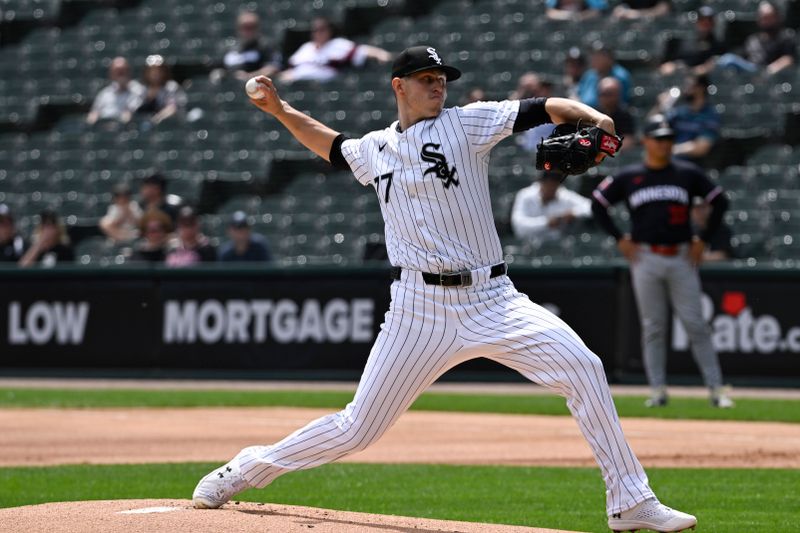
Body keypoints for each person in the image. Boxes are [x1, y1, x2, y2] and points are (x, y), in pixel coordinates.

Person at [192, 45, 698, 533]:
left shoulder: (466, 122)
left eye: (441, 81)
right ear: (399, 86)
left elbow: (544, 107)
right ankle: (246, 470)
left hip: (493, 299)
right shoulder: (376, 149)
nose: (438, 88)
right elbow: (329, 142)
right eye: (427, 81)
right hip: (418, 309)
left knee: (584, 369)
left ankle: (631, 500)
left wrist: (597, 120)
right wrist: (279, 108)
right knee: (358, 428)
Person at [591, 114, 734, 410]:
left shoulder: (686, 173)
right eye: (659, 139)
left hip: (681, 256)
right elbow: (598, 203)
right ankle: (657, 390)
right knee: (653, 327)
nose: (664, 144)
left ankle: (717, 389)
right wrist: (619, 237)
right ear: (646, 141)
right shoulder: (630, 176)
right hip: (645, 256)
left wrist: (703, 239)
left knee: (696, 324)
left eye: (668, 139)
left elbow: (720, 200)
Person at [279, 16, 392, 83]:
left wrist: (380, 54)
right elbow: (292, 67)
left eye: (321, 29)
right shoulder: (306, 47)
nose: (317, 33)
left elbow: (362, 50)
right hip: (299, 87)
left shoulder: (338, 44)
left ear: (329, 31)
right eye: (315, 30)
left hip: (326, 90)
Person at [655, 73, 720, 167]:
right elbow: (653, 127)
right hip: (670, 164)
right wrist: (660, 106)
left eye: (689, 85)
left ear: (700, 88)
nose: (686, 89)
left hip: (694, 168)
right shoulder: (679, 112)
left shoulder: (710, 115)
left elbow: (701, 148)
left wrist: (670, 150)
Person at [716, 1, 797, 75]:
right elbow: (744, 58)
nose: (766, 21)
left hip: (771, 76)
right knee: (726, 60)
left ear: (777, 17)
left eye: (769, 17)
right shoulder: (752, 40)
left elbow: (789, 59)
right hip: (750, 76)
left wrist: (769, 71)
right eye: (764, 18)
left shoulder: (786, 36)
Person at [511, 171, 592, 241]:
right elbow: (518, 226)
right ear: (541, 182)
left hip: (557, 245)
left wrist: (574, 213)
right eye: (549, 184)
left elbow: (590, 206)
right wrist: (546, 223)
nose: (552, 189)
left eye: (555, 185)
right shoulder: (525, 195)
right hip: (529, 245)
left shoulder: (563, 194)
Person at [216, 11, 283, 82]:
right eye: (244, 27)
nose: (248, 31)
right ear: (238, 28)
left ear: (258, 28)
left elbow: (273, 68)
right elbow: (219, 68)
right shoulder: (229, 48)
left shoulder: (266, 46)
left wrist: (249, 76)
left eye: (252, 27)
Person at [660, 6, 724, 75]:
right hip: (682, 75)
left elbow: (713, 63)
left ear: (713, 23)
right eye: (702, 20)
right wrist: (673, 65)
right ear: (696, 22)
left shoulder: (718, 44)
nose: (706, 24)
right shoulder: (684, 41)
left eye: (709, 21)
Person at [86, 57, 145, 125]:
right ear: (111, 74)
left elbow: (132, 112)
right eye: (117, 71)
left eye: (122, 71)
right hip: (103, 128)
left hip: (126, 128)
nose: (120, 74)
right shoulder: (105, 93)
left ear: (129, 71)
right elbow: (94, 113)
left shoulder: (138, 90)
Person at [576, 43, 631, 109]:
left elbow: (621, 103)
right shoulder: (589, 75)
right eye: (593, 55)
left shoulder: (620, 75)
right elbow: (579, 94)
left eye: (598, 56)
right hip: (584, 113)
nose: (593, 59)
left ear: (608, 58)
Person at [136, 55, 187, 124]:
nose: (155, 73)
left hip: (170, 124)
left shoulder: (171, 87)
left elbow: (172, 108)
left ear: (164, 71)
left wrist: (156, 119)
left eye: (159, 70)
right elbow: (135, 109)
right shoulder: (142, 89)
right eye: (152, 70)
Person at [596, 77, 636, 147]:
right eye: (602, 94)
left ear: (618, 95)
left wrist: (605, 147)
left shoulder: (625, 115)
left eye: (609, 94)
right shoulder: (594, 113)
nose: (605, 98)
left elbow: (628, 141)